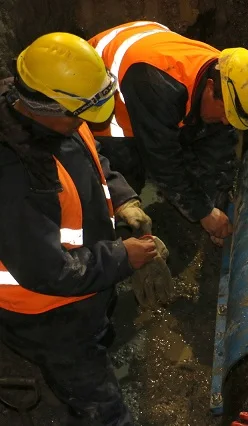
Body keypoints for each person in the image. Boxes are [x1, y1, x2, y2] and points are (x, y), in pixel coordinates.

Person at [0, 32, 161, 424]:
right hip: (48, 317)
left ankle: (99, 337)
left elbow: (93, 157)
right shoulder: (16, 175)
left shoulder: (48, 111)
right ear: (55, 109)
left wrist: (123, 198)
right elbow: (49, 271)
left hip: (83, 290)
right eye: (81, 117)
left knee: (97, 334)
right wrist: (123, 256)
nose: (86, 123)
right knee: (97, 400)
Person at [87, 21, 248, 246]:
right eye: (226, 113)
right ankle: (117, 241)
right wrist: (203, 212)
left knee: (205, 133)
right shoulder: (159, 87)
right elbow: (163, 160)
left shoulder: (227, 74)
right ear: (209, 88)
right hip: (99, 95)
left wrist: (218, 200)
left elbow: (219, 143)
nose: (226, 121)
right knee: (127, 173)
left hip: (145, 53)